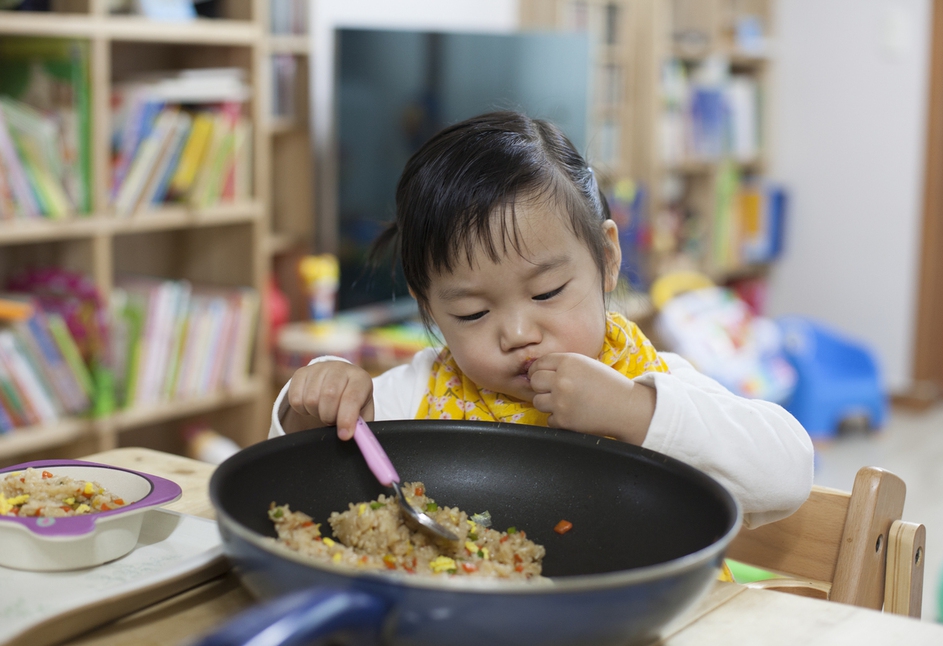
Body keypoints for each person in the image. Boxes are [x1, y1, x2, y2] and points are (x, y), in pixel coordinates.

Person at [270, 111, 813, 529]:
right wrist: (314, 402)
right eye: (473, 312)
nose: (518, 333)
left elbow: (789, 474)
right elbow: (295, 471)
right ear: (430, 308)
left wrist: (636, 412)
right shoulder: (419, 395)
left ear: (606, 258)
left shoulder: (652, 382)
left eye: (548, 292)